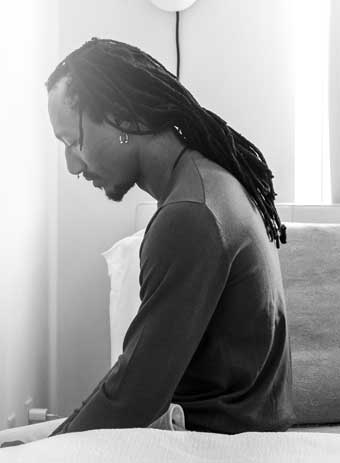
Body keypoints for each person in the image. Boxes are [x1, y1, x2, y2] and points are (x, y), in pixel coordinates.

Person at [1, 38, 294, 446]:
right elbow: (135, 380)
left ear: (124, 119)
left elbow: (133, 398)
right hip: (230, 426)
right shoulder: (210, 181)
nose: (71, 165)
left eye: (73, 142)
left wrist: (49, 448)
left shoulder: (189, 216)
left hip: (209, 441)